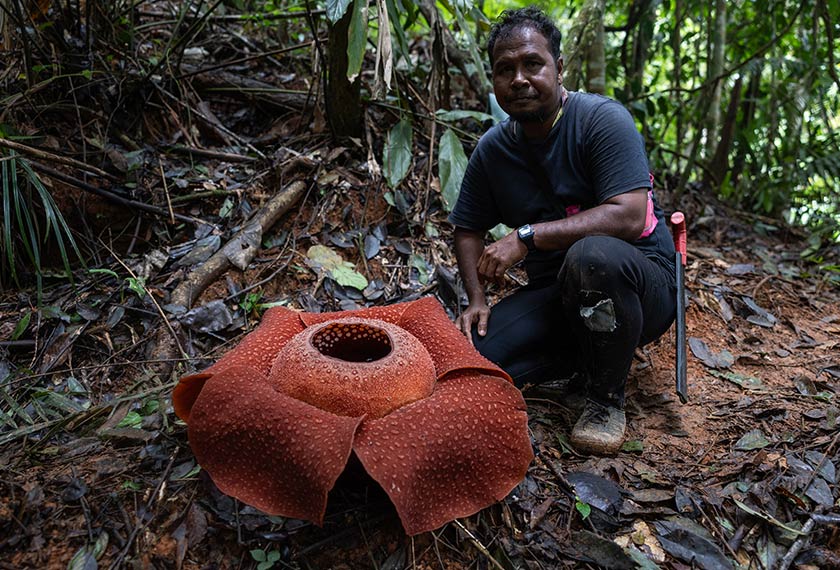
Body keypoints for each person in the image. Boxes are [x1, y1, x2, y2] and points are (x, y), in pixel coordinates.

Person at [448, 6, 677, 455]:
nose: (519, 79)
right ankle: (582, 355)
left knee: (592, 256)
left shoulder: (601, 121)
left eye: (532, 64)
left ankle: (605, 400)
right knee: (473, 360)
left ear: (558, 67)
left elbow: (629, 216)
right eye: (504, 69)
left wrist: (527, 236)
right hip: (558, 293)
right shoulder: (494, 150)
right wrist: (476, 299)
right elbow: (468, 227)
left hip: (639, 284)